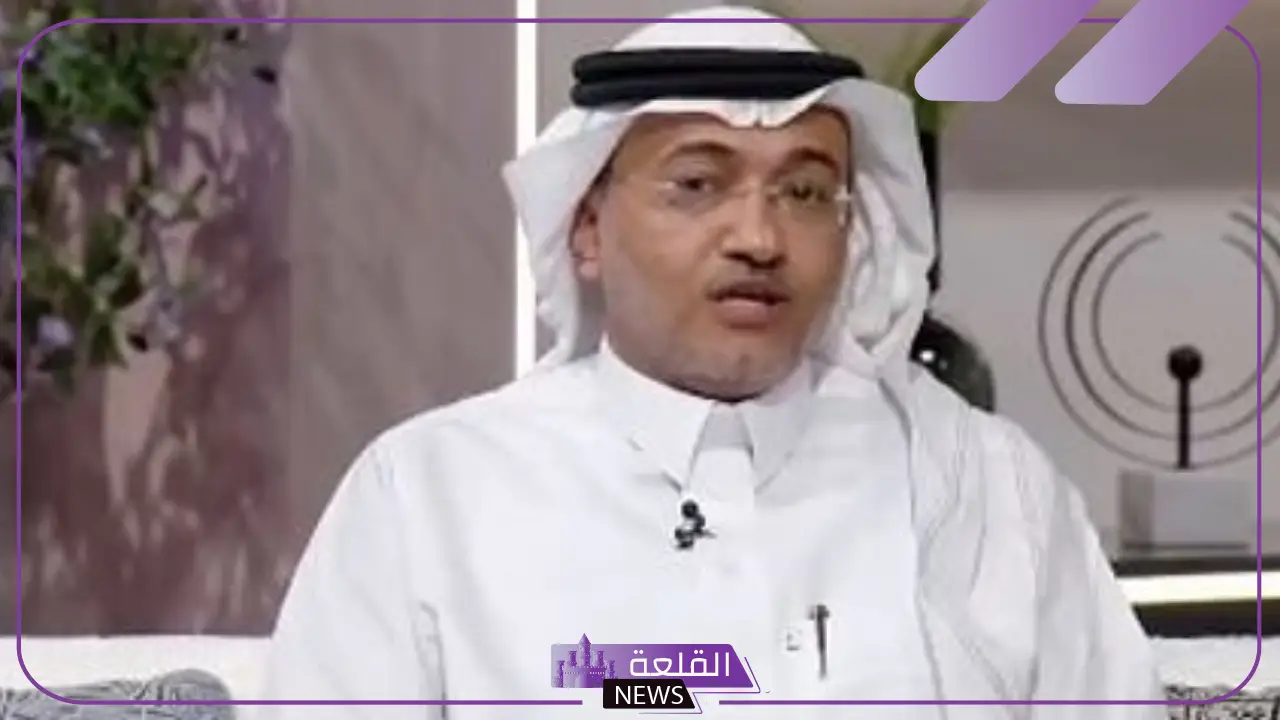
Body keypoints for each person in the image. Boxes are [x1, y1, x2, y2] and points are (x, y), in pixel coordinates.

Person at [255, 6, 1164, 719]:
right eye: (698, 184)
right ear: (586, 228)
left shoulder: (982, 485)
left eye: (804, 191)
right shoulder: (429, 496)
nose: (759, 237)